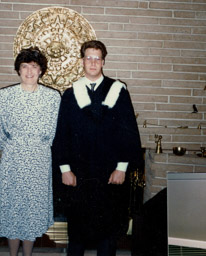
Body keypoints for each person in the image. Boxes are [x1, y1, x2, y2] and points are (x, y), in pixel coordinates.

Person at [52, 40, 143, 256]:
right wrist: (65, 169)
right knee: (77, 234)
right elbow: (62, 133)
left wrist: (122, 167)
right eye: (88, 57)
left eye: (97, 58)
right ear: (82, 61)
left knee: (108, 234)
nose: (93, 62)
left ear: (103, 61)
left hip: (110, 172)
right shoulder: (70, 94)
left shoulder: (118, 91)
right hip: (78, 173)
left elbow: (128, 131)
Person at [0, 47, 61, 256]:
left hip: (39, 160)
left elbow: (53, 133)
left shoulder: (53, 97)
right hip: (13, 160)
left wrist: (34, 147)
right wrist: (17, 147)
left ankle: (28, 254)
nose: (29, 71)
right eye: (24, 66)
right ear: (18, 70)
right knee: (12, 209)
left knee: (31, 210)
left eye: (34, 66)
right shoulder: (4, 96)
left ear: (41, 70)